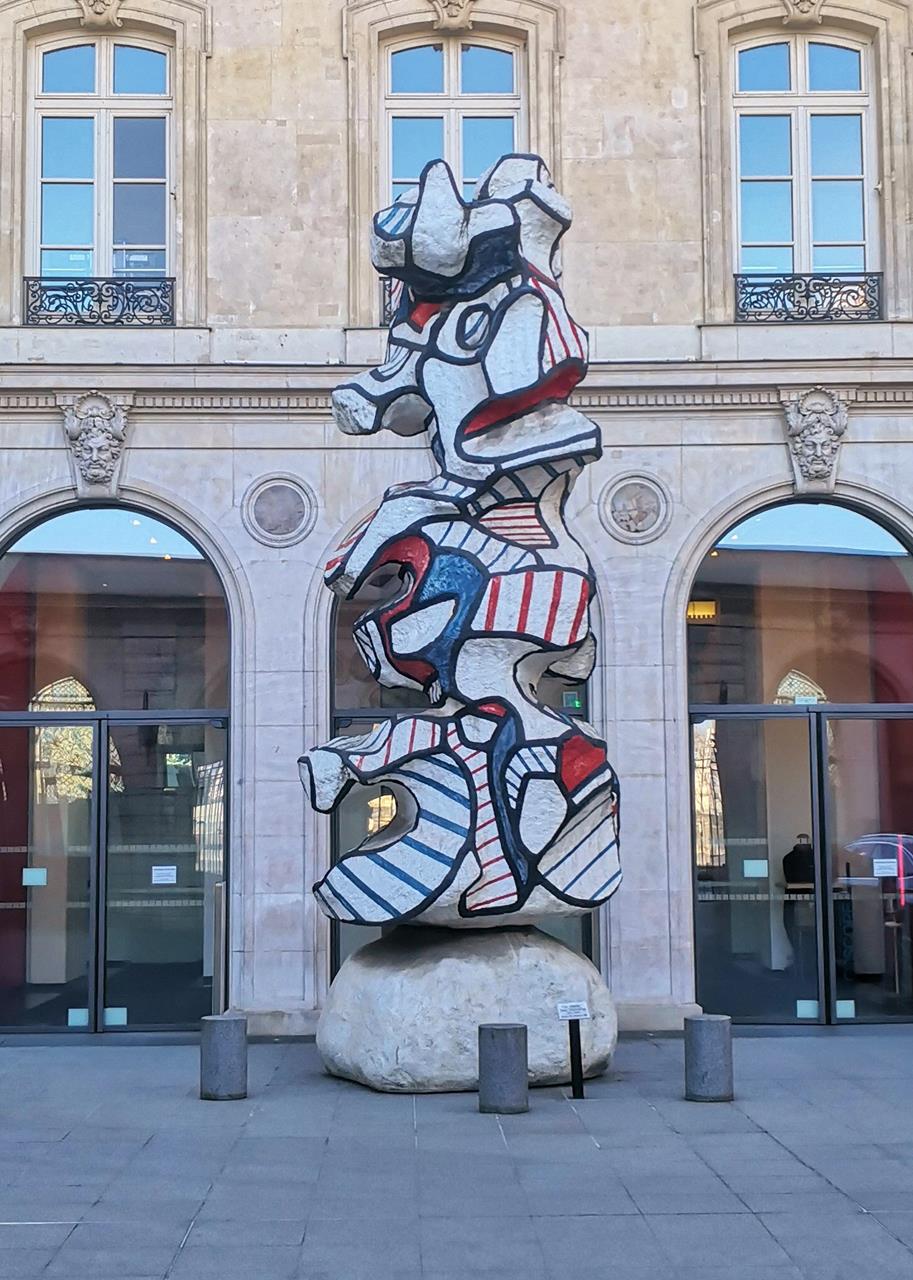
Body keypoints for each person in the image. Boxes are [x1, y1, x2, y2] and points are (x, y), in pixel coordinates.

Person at [783, 834, 815, 976]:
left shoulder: (789, 858)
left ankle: (804, 963)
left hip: (799, 900)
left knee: (797, 929)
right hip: (801, 899)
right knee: (796, 929)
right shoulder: (790, 859)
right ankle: (803, 963)